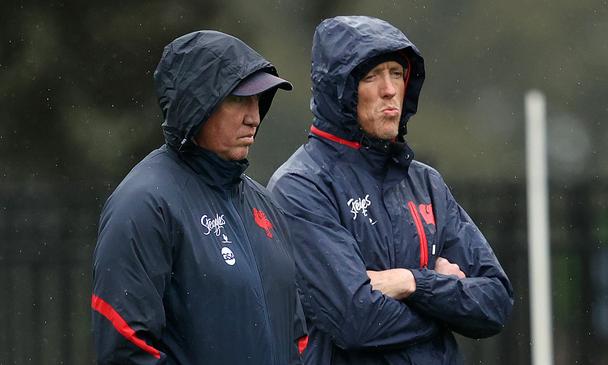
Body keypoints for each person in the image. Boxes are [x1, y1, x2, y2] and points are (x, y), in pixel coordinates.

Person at [267, 16, 514, 364]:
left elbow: (496, 303)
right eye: (371, 76)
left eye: (397, 73)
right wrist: (447, 305)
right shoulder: (301, 187)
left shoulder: (426, 183)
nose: (389, 89)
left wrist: (412, 282)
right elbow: (358, 322)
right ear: (341, 90)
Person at [91, 30, 306, 364]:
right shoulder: (145, 203)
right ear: (197, 104)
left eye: (259, 101)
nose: (254, 116)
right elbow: (126, 347)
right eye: (238, 99)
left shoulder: (266, 206)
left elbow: (298, 338)